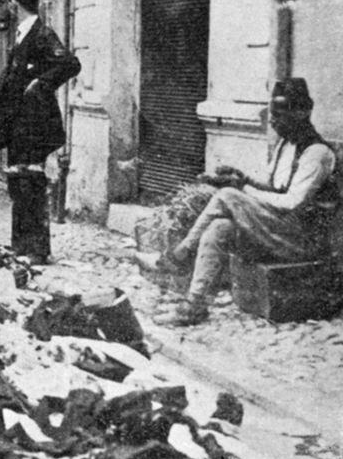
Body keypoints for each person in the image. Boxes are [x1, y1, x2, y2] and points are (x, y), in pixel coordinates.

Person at [144, 78, 339, 326]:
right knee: (218, 229)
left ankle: (179, 255)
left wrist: (241, 189)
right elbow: (271, 186)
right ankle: (194, 306)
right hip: (277, 228)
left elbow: (292, 202)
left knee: (228, 196)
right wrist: (240, 177)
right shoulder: (285, 145)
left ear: (303, 112)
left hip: (302, 239)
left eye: (280, 114)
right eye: (272, 114)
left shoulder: (317, 153)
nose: (273, 121)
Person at [0, 0, 81, 265]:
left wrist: (40, 82)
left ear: (16, 4)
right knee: (19, 183)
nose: (10, 8)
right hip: (19, 122)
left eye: (10, 4)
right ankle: (21, 246)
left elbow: (69, 63)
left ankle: (37, 250)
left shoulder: (41, 33)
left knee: (31, 183)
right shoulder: (22, 33)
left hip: (34, 122)